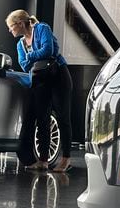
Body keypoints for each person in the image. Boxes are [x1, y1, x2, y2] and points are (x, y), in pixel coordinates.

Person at [5, 9, 73, 172]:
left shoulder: (42, 28)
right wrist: (36, 56)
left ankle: (66, 159)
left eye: (11, 26)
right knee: (42, 118)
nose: (10, 30)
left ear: (20, 23)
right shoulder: (20, 44)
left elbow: (48, 50)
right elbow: (24, 64)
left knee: (63, 116)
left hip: (58, 75)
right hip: (40, 79)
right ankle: (43, 160)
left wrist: (31, 56)